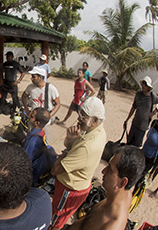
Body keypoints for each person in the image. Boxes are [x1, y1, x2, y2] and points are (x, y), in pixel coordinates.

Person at [50, 97, 106, 230]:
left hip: (69, 190)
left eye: (84, 116)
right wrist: (70, 142)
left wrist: (68, 148)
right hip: (75, 186)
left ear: (95, 120)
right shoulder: (96, 131)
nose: (79, 118)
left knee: (56, 219)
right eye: (80, 114)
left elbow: (55, 170)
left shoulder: (87, 147)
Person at [67, 146, 145, 230]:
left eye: (110, 169)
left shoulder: (112, 225)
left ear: (122, 182)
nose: (103, 171)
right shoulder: (125, 194)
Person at [22, 66, 61, 140]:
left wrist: (49, 115)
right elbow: (24, 96)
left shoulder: (51, 88)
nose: (31, 79)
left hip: (44, 122)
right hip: (33, 119)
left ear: (40, 77)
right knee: (31, 138)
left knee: (43, 140)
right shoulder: (30, 87)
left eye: (34, 77)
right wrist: (26, 109)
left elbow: (58, 104)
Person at [124, 76, 158, 147]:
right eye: (143, 84)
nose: (143, 86)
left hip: (142, 127)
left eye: (145, 84)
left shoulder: (152, 96)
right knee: (129, 143)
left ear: (148, 87)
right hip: (135, 124)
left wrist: (154, 112)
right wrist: (127, 120)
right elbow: (133, 107)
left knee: (136, 147)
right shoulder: (138, 94)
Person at [22, 107, 57, 185]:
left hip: (33, 172)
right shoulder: (41, 131)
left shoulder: (32, 141)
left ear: (36, 123)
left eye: (31, 116)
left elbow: (25, 161)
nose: (29, 116)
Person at [141, 103, 158, 177]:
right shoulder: (154, 123)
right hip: (143, 153)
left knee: (140, 180)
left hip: (150, 159)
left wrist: (153, 170)